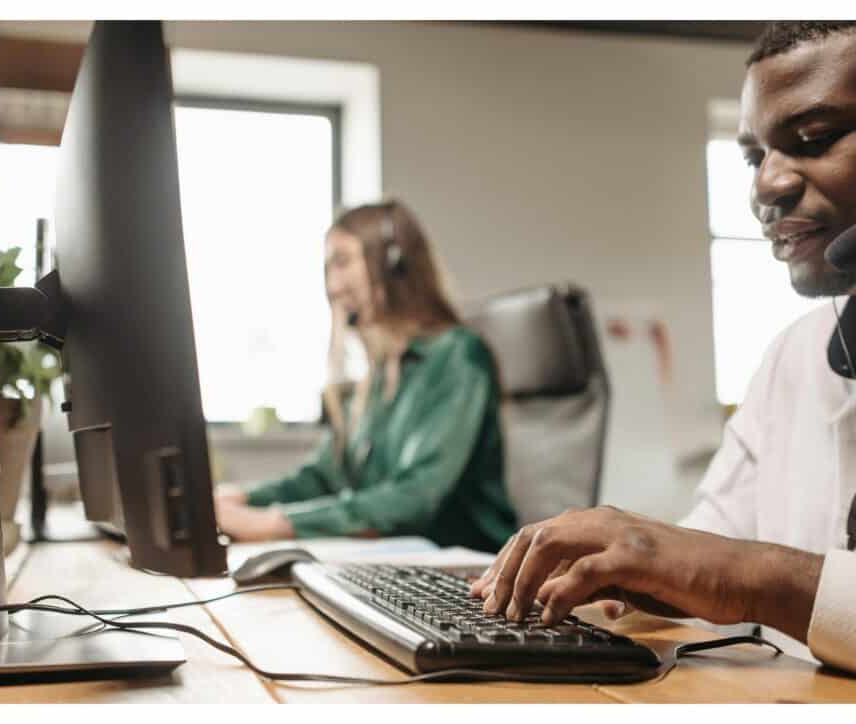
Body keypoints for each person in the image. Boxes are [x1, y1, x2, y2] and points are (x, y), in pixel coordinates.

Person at [471, 21, 856, 672]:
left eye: (813, 139)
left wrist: (748, 576)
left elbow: (736, 568)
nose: (766, 186)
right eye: (753, 157)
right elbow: (716, 540)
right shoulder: (796, 353)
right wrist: (633, 561)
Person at [214, 200, 517, 551]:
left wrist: (274, 524)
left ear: (394, 265)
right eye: (328, 268)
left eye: (341, 262)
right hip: (397, 562)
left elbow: (413, 498)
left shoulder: (458, 356)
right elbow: (324, 476)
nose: (333, 285)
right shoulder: (376, 375)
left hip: (463, 571)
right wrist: (241, 499)